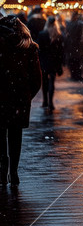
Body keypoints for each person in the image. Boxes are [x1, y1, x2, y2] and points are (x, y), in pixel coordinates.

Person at [0, 15, 41, 186]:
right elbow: (37, 79)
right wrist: (25, 96)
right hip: (19, 99)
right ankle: (14, 173)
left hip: (1, 97)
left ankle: (2, 172)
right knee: (16, 135)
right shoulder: (28, 46)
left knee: (0, 134)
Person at [37, 17, 64, 113]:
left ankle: (45, 101)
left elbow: (39, 50)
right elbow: (61, 52)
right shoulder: (58, 36)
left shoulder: (42, 34)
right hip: (54, 61)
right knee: (51, 81)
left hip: (44, 61)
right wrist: (60, 65)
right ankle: (51, 102)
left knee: (44, 81)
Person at [65, 11, 83, 81]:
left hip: (71, 46)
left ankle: (74, 75)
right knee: (77, 62)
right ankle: (77, 76)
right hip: (76, 46)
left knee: (73, 62)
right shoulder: (79, 24)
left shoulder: (69, 24)